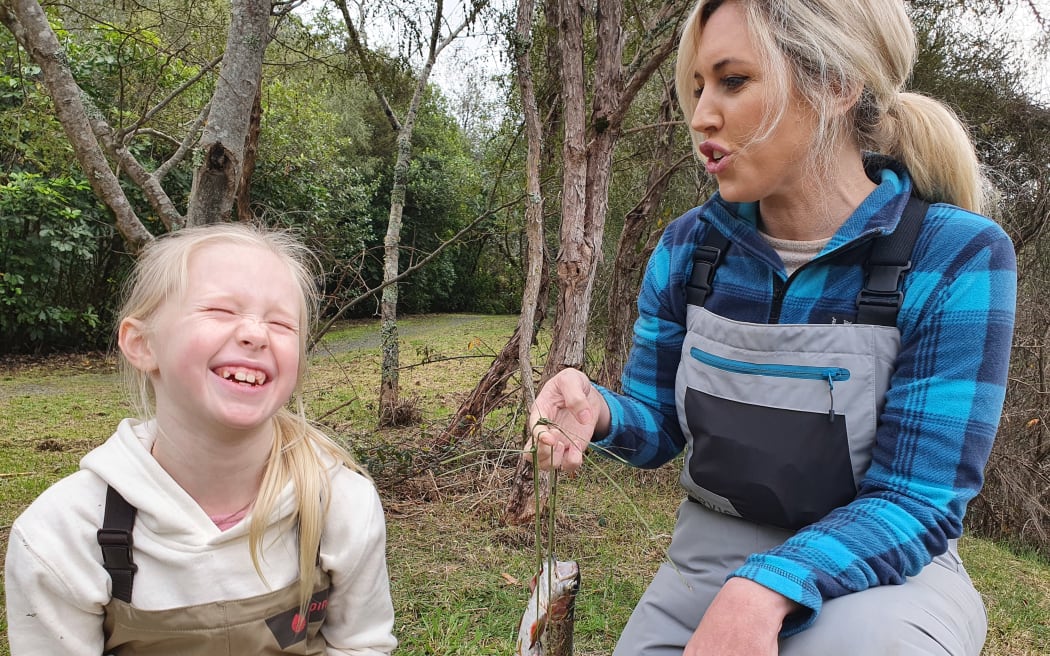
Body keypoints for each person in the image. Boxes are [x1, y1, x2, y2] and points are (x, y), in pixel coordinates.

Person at [527, 1, 1016, 654]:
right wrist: (599, 412)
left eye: (733, 82)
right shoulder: (687, 251)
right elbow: (659, 423)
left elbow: (917, 499)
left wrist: (766, 585)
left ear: (837, 84)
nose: (701, 115)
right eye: (698, 88)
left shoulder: (955, 256)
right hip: (707, 563)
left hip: (884, 576)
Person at [5, 223, 397, 655]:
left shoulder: (340, 505)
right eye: (220, 311)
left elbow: (363, 645)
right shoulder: (60, 536)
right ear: (141, 344)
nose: (256, 333)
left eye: (282, 323)